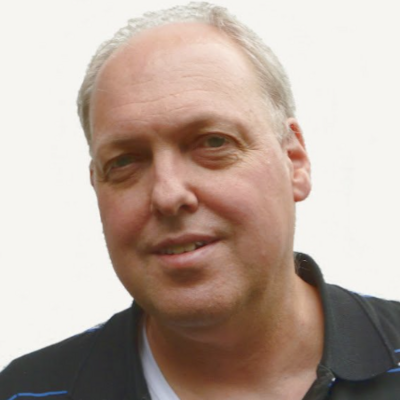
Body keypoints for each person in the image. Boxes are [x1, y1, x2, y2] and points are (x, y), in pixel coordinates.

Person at [1, 2, 400, 399]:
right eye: (124, 161)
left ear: (294, 160)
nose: (168, 194)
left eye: (212, 142)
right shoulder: (25, 392)